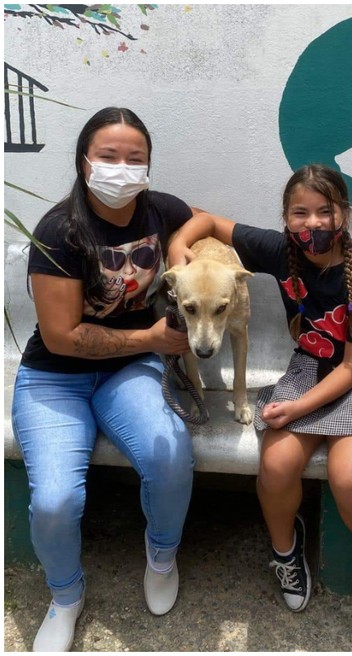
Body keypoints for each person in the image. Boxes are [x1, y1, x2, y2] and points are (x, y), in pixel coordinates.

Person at [167, 163, 352, 632]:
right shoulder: (281, 252)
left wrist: (297, 408)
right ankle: (286, 550)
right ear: (286, 217)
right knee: (277, 465)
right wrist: (180, 249)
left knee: (347, 478)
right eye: (300, 213)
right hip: (305, 370)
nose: (313, 223)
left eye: (326, 211)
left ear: (344, 213)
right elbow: (205, 219)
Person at [11, 107, 204, 652]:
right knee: (54, 501)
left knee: (170, 457)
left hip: (128, 372)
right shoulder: (59, 231)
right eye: (109, 157)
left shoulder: (157, 210)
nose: (122, 169)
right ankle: (65, 597)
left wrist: (181, 242)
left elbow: (206, 220)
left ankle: (161, 557)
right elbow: (62, 337)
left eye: (135, 159)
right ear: (84, 162)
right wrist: (150, 340)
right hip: (56, 378)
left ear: (148, 167)